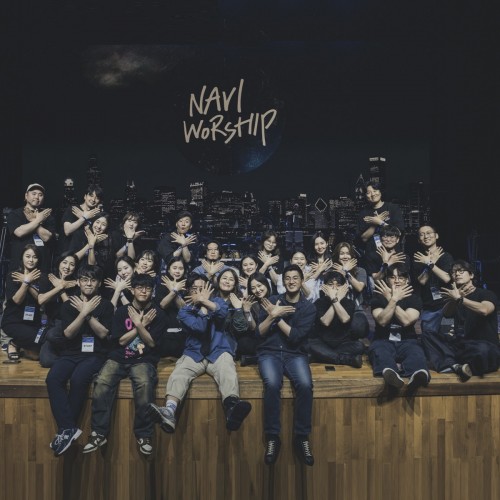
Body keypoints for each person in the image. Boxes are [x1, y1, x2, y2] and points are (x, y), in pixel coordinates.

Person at [148, 273, 251, 434]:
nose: (199, 292)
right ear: (189, 291)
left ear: (209, 289)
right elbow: (199, 327)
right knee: (179, 373)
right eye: (194, 289)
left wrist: (205, 301)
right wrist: (203, 306)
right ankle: (169, 411)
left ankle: (231, 409)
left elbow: (222, 314)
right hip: (194, 353)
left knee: (227, 368)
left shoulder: (218, 302)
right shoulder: (184, 311)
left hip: (218, 350)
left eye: (202, 288)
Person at [82, 274, 167, 456]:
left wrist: (141, 325)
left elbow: (151, 343)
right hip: (119, 357)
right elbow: (120, 341)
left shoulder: (158, 314)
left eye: (148, 288)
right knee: (102, 382)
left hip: (144, 359)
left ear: (152, 291)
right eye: (140, 288)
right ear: (132, 290)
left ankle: (144, 435)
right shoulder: (121, 312)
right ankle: (98, 433)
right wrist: (138, 326)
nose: (143, 291)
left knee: (144, 384)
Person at [45, 264, 113, 456]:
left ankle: (65, 431)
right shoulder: (69, 305)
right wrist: (82, 312)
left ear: (99, 283)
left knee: (78, 379)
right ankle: (68, 428)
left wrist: (88, 313)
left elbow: (103, 333)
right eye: (84, 279)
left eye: (93, 280)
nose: (88, 283)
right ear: (78, 282)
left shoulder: (106, 305)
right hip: (70, 353)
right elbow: (68, 333)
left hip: (95, 354)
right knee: (53, 379)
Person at [255, 264, 316, 466]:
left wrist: (277, 317)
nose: (291, 281)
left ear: (301, 281)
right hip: (269, 352)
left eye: (295, 278)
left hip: (294, 354)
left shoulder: (308, 308)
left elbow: (295, 337)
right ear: (283, 282)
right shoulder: (272, 301)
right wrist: (272, 314)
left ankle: (301, 436)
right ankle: (273, 437)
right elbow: (259, 333)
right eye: (287, 278)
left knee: (305, 385)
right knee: (272, 384)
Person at [422, 260, 500, 380]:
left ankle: (453, 363)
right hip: (462, 345)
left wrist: (461, 299)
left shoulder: (486, 294)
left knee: (483, 350)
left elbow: (484, 310)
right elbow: (447, 314)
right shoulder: (455, 297)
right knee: (427, 335)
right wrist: (455, 299)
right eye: (454, 272)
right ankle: (456, 366)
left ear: (471, 275)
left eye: (461, 271)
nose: (457, 274)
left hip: (483, 345)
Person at [369, 263, 430, 392]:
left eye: (401, 277)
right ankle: (392, 375)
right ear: (387, 280)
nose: (396, 281)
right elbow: (382, 321)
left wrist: (392, 299)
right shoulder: (378, 297)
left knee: (416, 353)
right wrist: (392, 299)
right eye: (392, 277)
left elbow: (406, 321)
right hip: (383, 340)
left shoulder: (414, 298)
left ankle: (417, 375)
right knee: (380, 352)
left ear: (407, 280)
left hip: (407, 340)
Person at [309, 271, 364, 368]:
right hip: (323, 342)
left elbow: (344, 319)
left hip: (343, 343)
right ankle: (346, 359)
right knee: (310, 344)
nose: (334, 288)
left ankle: (321, 356)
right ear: (324, 287)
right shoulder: (319, 302)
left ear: (344, 288)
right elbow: (325, 322)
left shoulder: (349, 302)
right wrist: (335, 299)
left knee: (359, 346)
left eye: (338, 285)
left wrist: (335, 299)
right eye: (330, 285)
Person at [1, 244, 43, 360]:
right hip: (13, 321)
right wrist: (26, 282)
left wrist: (27, 282)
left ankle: (19, 344)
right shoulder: (13, 275)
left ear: (38, 260)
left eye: (35, 257)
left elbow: (40, 300)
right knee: (37, 337)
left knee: (37, 354)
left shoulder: (42, 277)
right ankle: (13, 344)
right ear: (22, 257)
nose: (31, 260)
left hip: (33, 322)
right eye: (28, 256)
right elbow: (17, 300)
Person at [38, 252, 79, 367]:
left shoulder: (77, 283)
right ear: (59, 263)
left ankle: (72, 355)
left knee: (51, 335)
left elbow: (71, 310)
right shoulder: (48, 278)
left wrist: (61, 290)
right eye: (64, 262)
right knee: (46, 361)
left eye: (72, 264)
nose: (67, 267)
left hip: (68, 323)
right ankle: (69, 356)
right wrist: (60, 286)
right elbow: (41, 300)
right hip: (50, 322)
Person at [412, 225, 453, 336]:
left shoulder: (445, 256)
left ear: (436, 236)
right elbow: (422, 281)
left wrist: (430, 264)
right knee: (429, 338)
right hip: (429, 307)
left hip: (446, 306)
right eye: (422, 234)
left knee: (447, 338)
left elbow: (446, 278)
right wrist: (428, 264)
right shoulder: (418, 258)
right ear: (419, 240)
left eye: (429, 233)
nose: (426, 236)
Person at [7, 183, 55, 272]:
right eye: (34, 193)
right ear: (26, 195)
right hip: (19, 266)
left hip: (41, 266)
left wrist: (33, 220)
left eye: (40, 195)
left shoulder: (48, 217)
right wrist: (38, 220)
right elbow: (19, 232)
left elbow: (46, 237)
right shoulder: (15, 214)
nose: (37, 197)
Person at [331, 242, 369, 339]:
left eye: (348, 253)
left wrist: (346, 272)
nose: (345, 256)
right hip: (336, 308)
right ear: (337, 256)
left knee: (359, 329)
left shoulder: (360, 271)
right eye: (342, 253)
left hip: (356, 309)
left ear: (352, 256)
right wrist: (340, 273)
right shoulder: (331, 271)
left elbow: (359, 287)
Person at [357, 181, 404, 256]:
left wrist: (380, 222)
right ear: (365, 196)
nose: (373, 194)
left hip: (393, 254)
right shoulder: (363, 213)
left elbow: (398, 232)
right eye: (368, 192)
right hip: (372, 255)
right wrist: (374, 224)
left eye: (375, 191)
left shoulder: (393, 208)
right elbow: (364, 238)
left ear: (380, 192)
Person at [155, 256, 188, 357]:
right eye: (174, 268)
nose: (177, 271)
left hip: (182, 326)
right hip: (165, 325)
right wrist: (174, 290)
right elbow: (163, 305)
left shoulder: (187, 285)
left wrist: (174, 290)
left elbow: (184, 308)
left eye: (181, 268)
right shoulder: (162, 283)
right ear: (169, 269)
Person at [60, 184, 103, 253]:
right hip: (69, 252)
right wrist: (84, 217)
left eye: (97, 198)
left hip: (86, 252)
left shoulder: (97, 215)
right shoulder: (73, 209)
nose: (93, 199)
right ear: (85, 196)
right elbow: (67, 231)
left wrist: (84, 218)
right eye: (91, 195)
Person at [70, 213, 114, 278]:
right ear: (93, 222)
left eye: (103, 224)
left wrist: (92, 245)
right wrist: (90, 243)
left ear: (107, 227)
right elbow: (73, 259)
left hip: (94, 277)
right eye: (97, 222)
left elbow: (92, 265)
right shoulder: (79, 234)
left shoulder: (107, 241)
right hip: (77, 275)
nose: (99, 226)